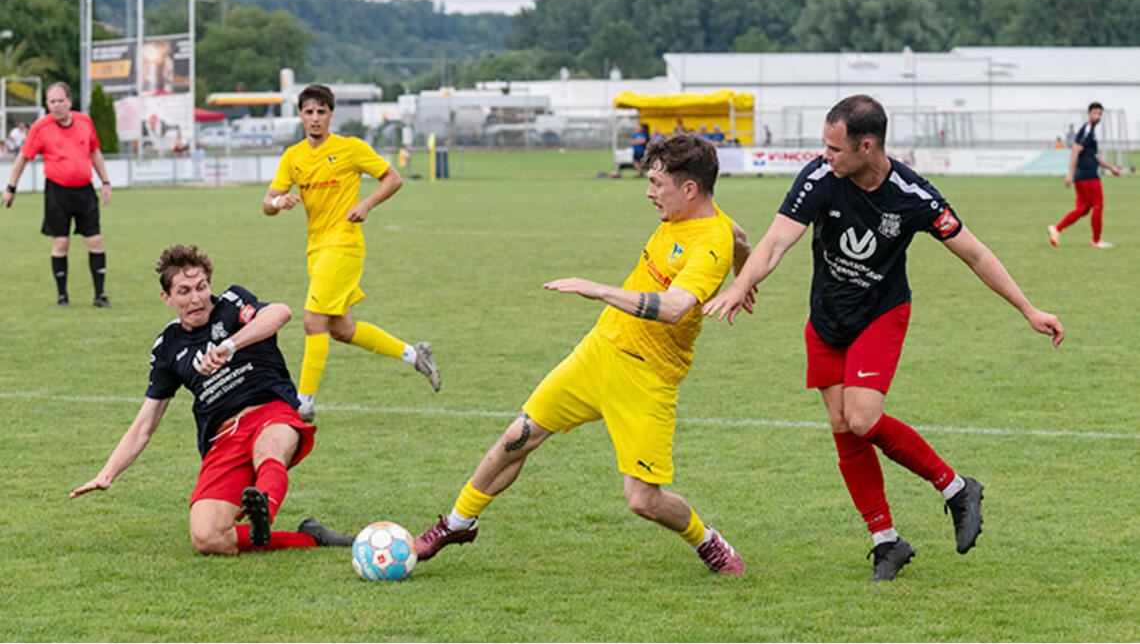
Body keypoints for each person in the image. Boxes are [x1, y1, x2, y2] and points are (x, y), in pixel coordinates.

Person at [704, 95, 1065, 581]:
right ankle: (886, 542)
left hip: (881, 315)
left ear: (867, 146)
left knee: (862, 417)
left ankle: (956, 488)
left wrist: (1028, 309)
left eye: (834, 147)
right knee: (842, 426)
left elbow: (975, 254)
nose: (824, 155)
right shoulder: (819, 178)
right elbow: (775, 241)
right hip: (827, 318)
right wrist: (742, 284)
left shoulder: (913, 197)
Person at [412, 135, 755, 575]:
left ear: (690, 189)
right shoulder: (703, 221)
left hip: (647, 377)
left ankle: (706, 540)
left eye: (657, 183)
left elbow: (673, 309)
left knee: (643, 499)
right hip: (599, 351)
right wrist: (743, 280)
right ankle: (457, 523)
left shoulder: (708, 244)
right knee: (519, 436)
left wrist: (597, 289)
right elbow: (741, 236)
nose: (649, 192)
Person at [70, 244, 354, 555]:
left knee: (268, 447)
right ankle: (312, 537)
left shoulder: (233, 304)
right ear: (166, 298)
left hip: (270, 412)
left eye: (202, 287)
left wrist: (230, 345)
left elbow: (280, 313)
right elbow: (145, 423)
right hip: (225, 437)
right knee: (207, 537)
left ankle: (264, 514)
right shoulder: (168, 346)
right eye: (184, 291)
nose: (196, 298)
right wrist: (106, 474)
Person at [263, 84, 441, 422]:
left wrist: (366, 205)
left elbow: (392, 178)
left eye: (322, 111)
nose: (315, 118)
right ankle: (414, 355)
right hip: (316, 249)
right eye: (309, 112)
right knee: (341, 329)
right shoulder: (293, 156)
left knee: (312, 320)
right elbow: (266, 204)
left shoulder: (350, 149)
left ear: (331, 114)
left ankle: (304, 402)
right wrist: (278, 201)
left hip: (344, 245)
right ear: (300, 115)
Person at [4, 82, 113, 308]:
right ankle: (62, 296)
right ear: (47, 104)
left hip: (85, 191)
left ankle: (100, 295)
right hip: (57, 193)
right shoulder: (41, 128)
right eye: (51, 102)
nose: (56, 105)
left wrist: (105, 181)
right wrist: (11, 187)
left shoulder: (84, 122)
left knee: (95, 240)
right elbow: (23, 158)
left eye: (60, 101)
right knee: (60, 243)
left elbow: (95, 152)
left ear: (69, 102)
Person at [1047, 102, 1122, 249]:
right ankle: (1096, 241)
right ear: (1089, 114)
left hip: (1083, 176)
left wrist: (1111, 168)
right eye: (1095, 113)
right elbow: (1075, 150)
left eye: (1100, 114)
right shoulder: (1086, 131)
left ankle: (1056, 229)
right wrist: (1070, 173)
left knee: (1083, 209)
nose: (1098, 116)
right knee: (1097, 206)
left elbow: (1093, 156)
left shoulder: (1091, 132)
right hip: (1088, 176)